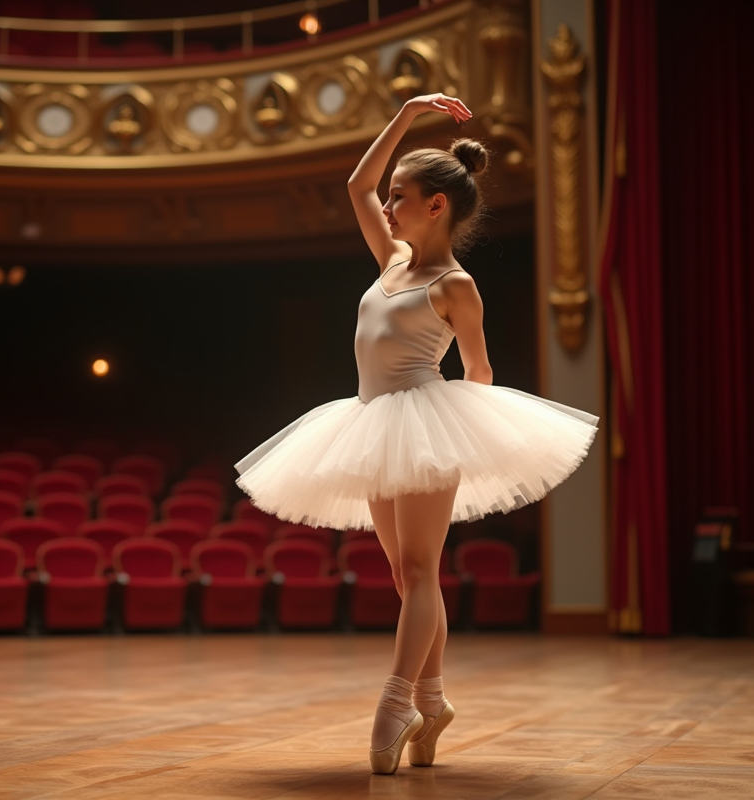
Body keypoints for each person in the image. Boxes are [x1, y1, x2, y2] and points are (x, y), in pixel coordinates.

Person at [235, 94, 598, 774]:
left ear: (436, 205)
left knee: (424, 570)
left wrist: (463, 436)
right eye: (393, 195)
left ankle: (397, 699)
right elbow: (356, 185)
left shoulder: (455, 284)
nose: (390, 204)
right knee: (406, 576)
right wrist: (406, 112)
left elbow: (480, 370)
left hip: (426, 425)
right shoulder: (391, 259)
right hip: (374, 424)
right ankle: (433, 698)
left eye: (402, 196)